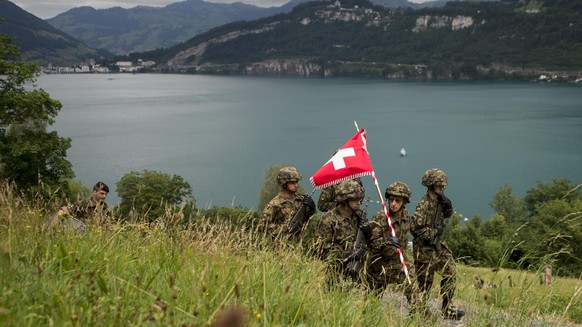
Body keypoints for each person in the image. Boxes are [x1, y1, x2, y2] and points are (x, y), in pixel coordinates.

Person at [411, 168, 465, 320]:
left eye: (443, 187)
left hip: (439, 246)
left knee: (451, 272)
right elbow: (414, 228)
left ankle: (447, 308)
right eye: (439, 186)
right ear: (431, 186)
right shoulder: (424, 204)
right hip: (424, 249)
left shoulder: (440, 201)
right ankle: (419, 311)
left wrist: (447, 204)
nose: (442, 188)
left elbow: (447, 215)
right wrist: (433, 232)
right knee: (425, 283)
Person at [359, 181, 419, 312]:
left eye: (398, 200)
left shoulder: (406, 216)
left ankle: (418, 314)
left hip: (397, 263)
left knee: (410, 278)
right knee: (370, 305)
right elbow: (372, 244)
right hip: (378, 266)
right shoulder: (380, 218)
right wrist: (387, 241)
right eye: (391, 200)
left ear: (404, 202)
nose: (393, 204)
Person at [313, 179, 366, 282]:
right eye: (354, 199)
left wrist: (368, 232)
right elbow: (319, 251)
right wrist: (347, 254)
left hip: (357, 272)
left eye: (360, 199)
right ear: (345, 200)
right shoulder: (328, 220)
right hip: (334, 275)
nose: (358, 203)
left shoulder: (359, 217)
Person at [258, 166, 315, 243]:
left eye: (297, 182)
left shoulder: (301, 200)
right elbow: (262, 226)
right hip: (280, 248)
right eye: (292, 182)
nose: (296, 185)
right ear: (284, 183)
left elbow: (308, 220)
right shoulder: (275, 204)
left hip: (298, 246)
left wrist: (312, 208)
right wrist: (286, 228)